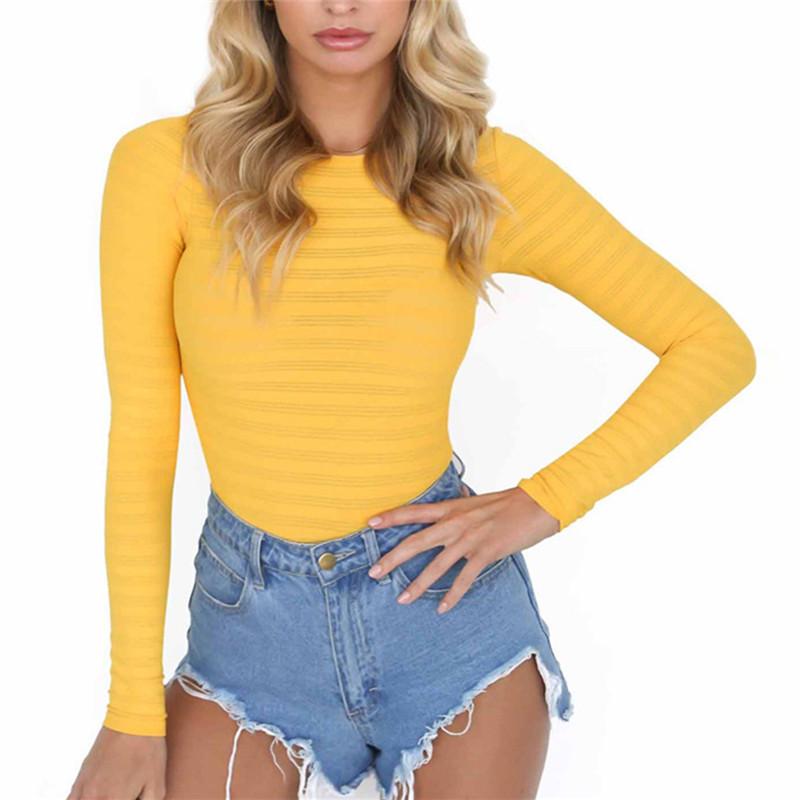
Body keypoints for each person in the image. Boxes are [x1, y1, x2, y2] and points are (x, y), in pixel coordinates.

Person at [68, 1, 756, 798]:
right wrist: (130, 712)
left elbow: (713, 346)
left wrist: (544, 501)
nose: (342, 4)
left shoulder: (479, 173)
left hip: (446, 615)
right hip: (251, 629)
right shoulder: (168, 167)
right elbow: (143, 440)